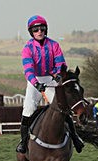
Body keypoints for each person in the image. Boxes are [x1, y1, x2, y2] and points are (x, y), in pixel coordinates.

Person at [16, 15, 84, 154]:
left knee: (62, 107)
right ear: (31, 32)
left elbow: (60, 63)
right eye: (36, 30)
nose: (39, 32)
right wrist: (36, 83)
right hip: (34, 80)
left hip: (51, 79)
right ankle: (23, 142)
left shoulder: (54, 45)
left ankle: (75, 138)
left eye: (42, 29)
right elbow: (28, 70)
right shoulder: (27, 48)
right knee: (28, 109)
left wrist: (58, 74)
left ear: (45, 30)